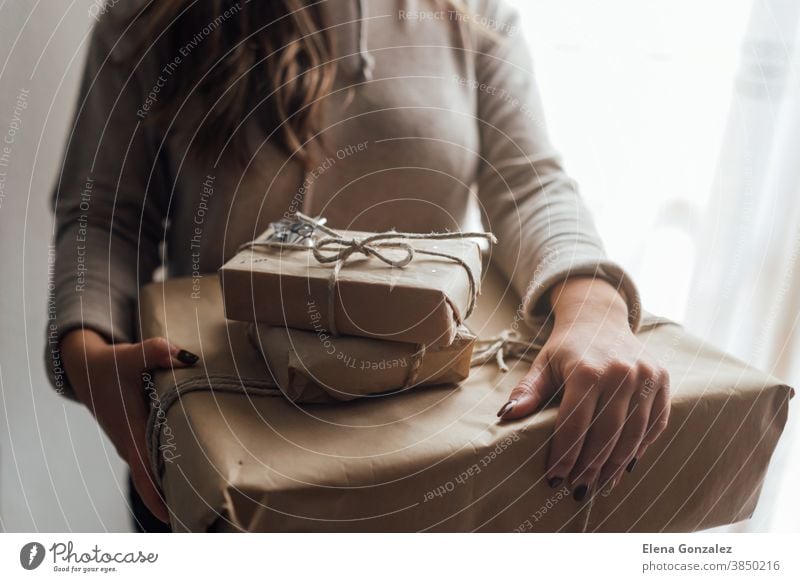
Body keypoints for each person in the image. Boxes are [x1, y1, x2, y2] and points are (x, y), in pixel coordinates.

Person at [48, 0, 669, 531]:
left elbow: (530, 185)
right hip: (227, 441)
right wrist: (89, 356)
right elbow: (104, 218)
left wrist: (596, 309)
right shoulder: (152, 14)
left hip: (430, 451)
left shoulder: (470, 10)